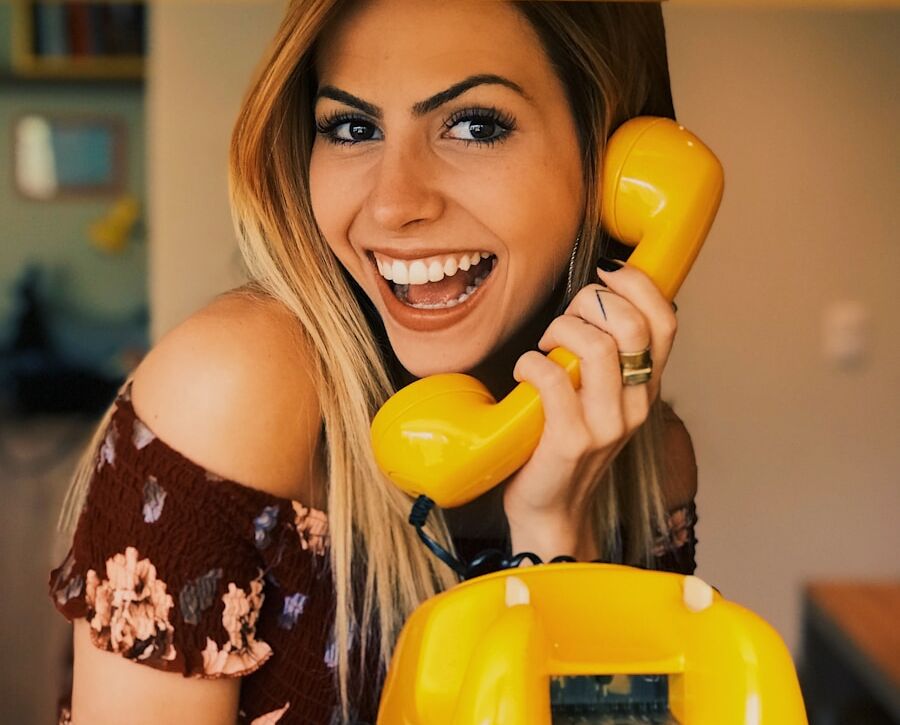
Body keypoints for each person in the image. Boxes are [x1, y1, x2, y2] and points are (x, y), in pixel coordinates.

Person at [47, 1, 699, 723]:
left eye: (475, 125)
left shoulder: (648, 469)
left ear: (614, 163)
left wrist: (553, 540)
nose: (393, 204)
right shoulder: (233, 393)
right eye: (353, 128)